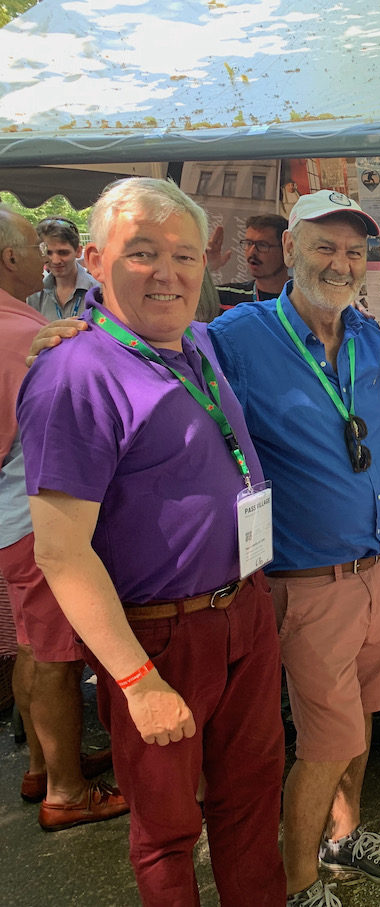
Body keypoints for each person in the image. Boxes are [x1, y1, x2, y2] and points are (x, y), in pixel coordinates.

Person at [17, 178, 284, 901]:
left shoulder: (196, 341)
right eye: (143, 253)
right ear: (97, 260)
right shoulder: (75, 373)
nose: (167, 272)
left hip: (244, 613)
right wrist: (137, 682)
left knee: (254, 802)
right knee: (168, 831)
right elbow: (60, 552)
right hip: (162, 638)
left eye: (184, 255)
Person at [207, 192, 380, 905]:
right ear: (293, 247)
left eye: (354, 251)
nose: (341, 262)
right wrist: (80, 333)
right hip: (308, 579)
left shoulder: (366, 339)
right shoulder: (239, 335)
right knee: (324, 741)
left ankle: (344, 835)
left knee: (362, 717)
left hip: (377, 562)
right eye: (326, 246)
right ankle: (299, 884)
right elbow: (162, 356)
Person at [0, 205, 124, 830]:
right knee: (56, 654)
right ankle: (66, 792)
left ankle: (47, 766)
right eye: (30, 246)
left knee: (32, 643)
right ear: (10, 258)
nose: (40, 257)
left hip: (12, 520)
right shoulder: (26, 335)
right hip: (34, 520)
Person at [207, 214, 289, 309]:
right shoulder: (226, 297)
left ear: (286, 249)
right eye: (249, 243)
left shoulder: (302, 300)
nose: (252, 252)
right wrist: (207, 268)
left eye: (262, 245)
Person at [25, 216, 96, 320]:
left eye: (63, 252)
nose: (55, 260)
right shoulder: (34, 295)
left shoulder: (98, 291)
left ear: (78, 251)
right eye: (48, 253)